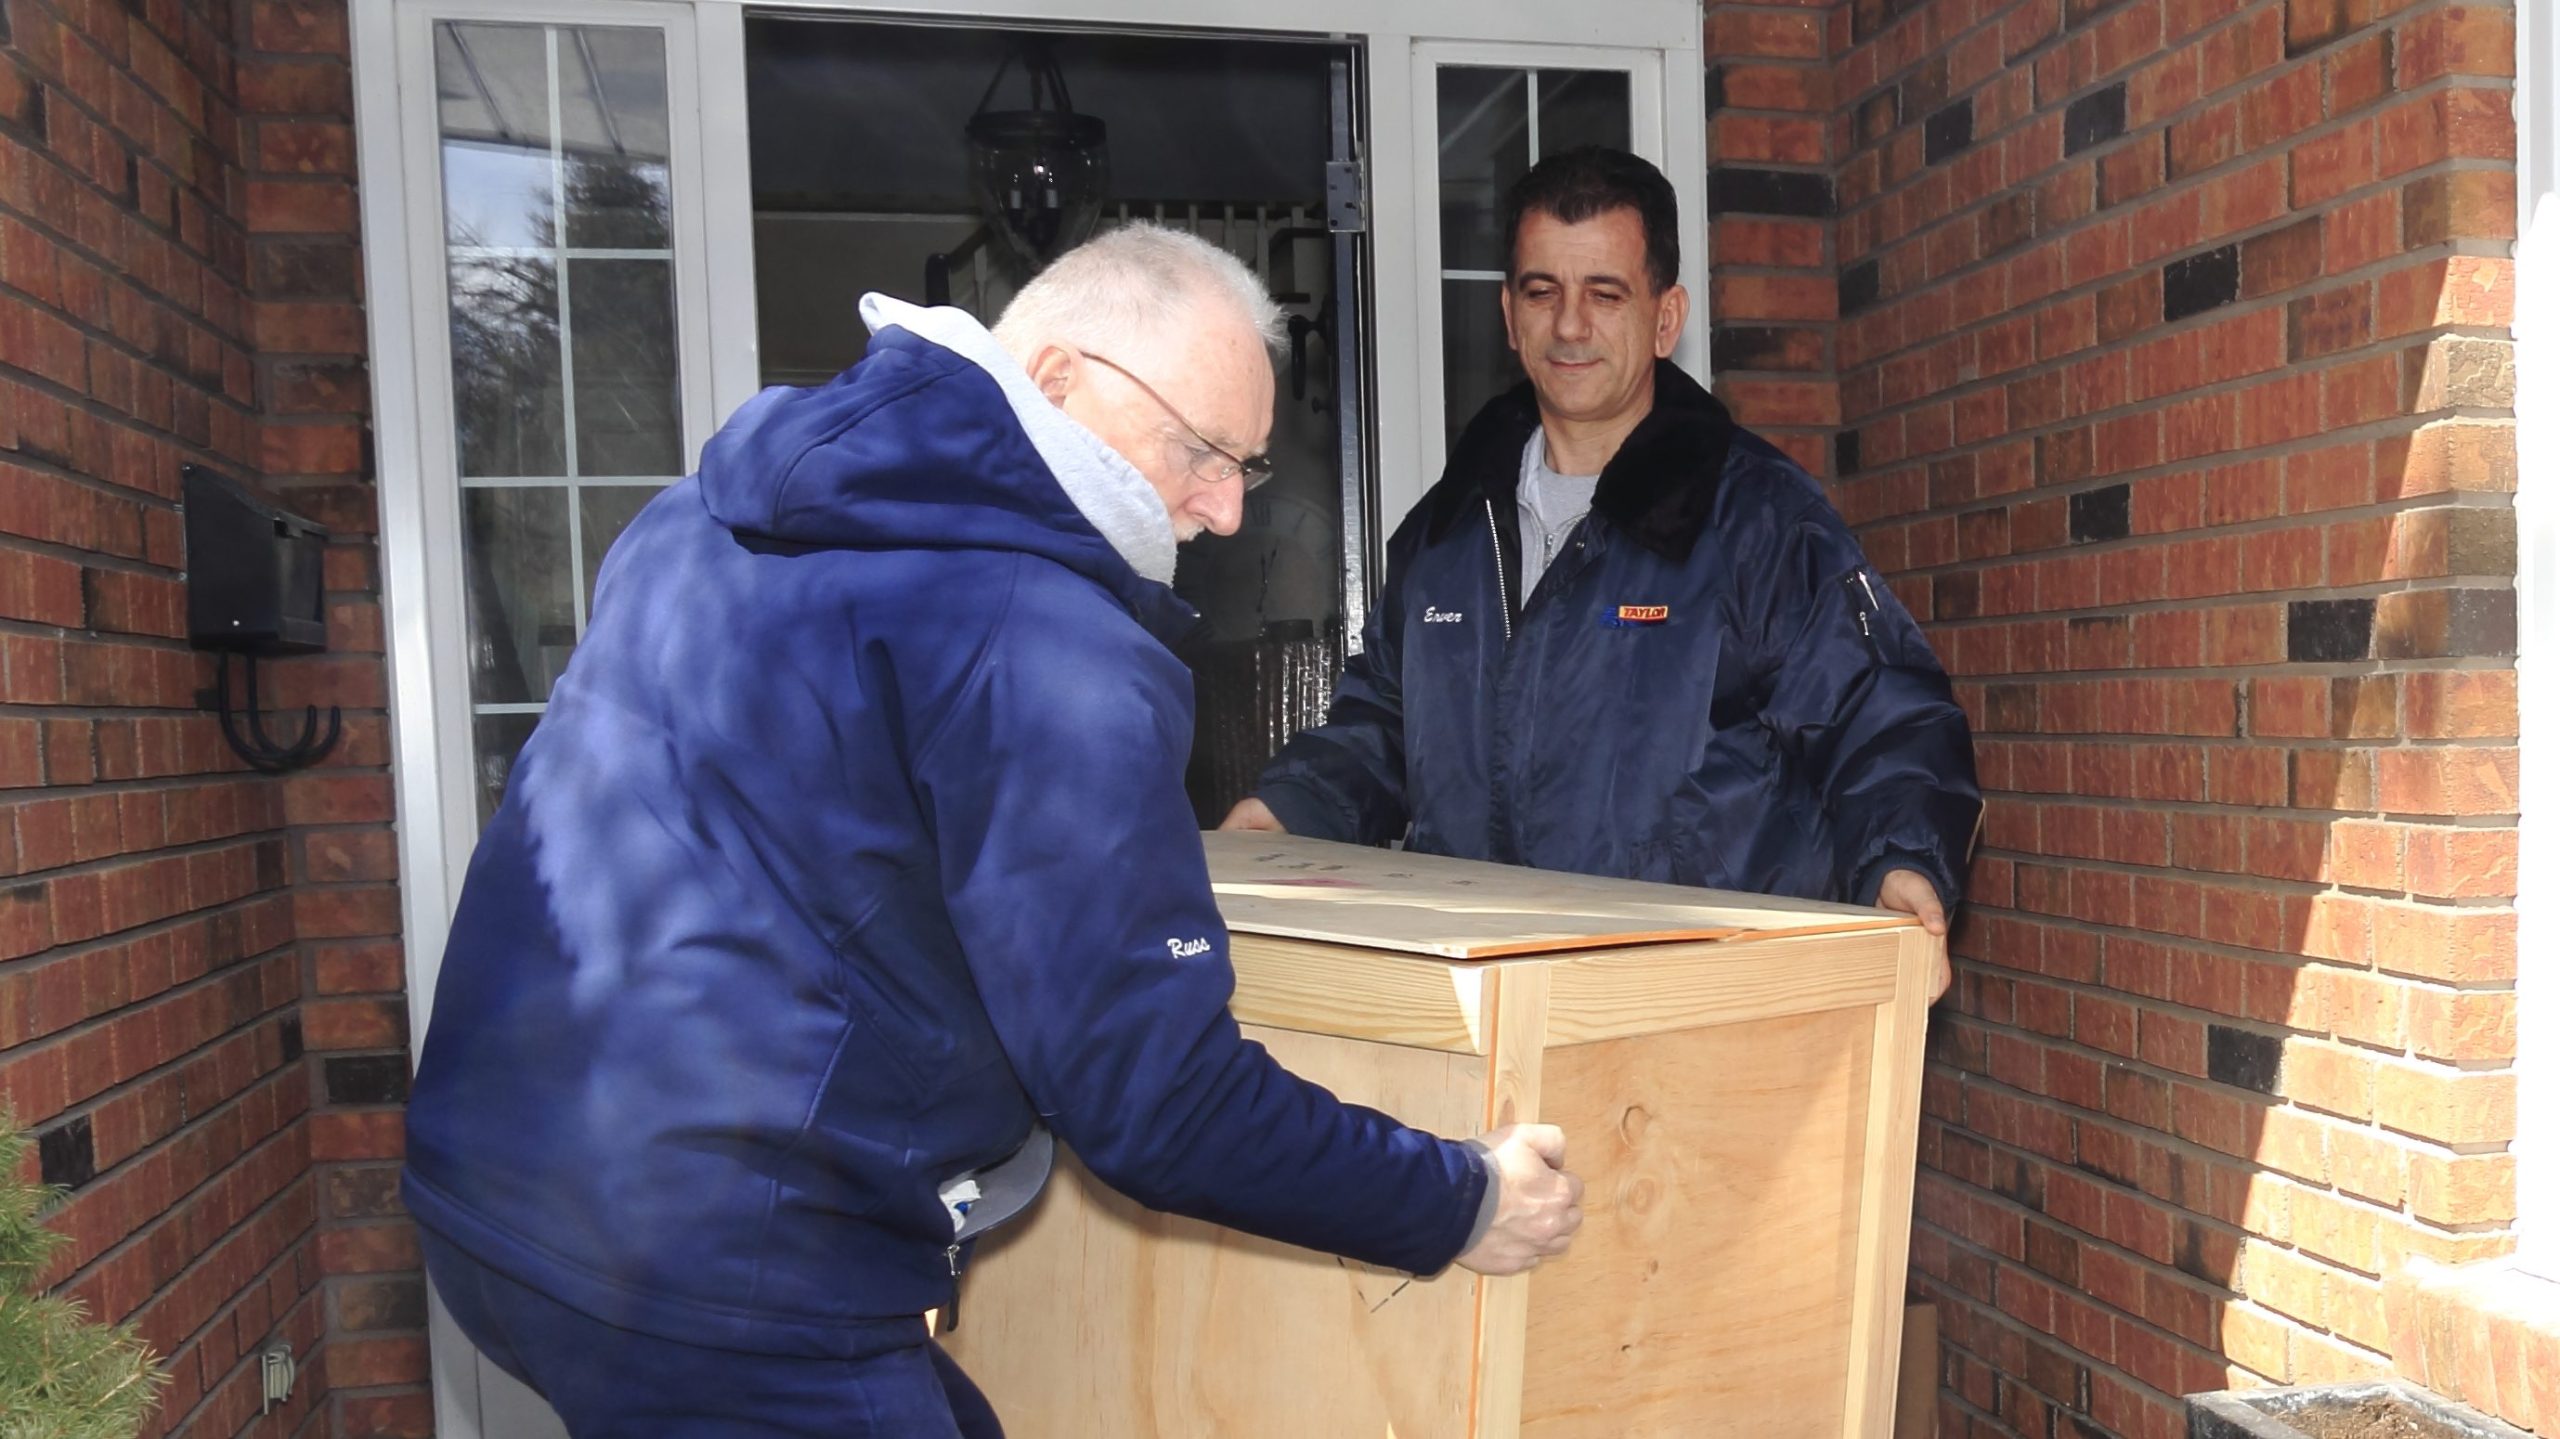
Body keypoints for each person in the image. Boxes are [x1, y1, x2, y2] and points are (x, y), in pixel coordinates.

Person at [401, 224, 1582, 1439]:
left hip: (496, 1197)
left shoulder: (697, 518)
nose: (1222, 511)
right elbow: (1156, 1100)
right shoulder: (1049, 646)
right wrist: (1459, 1201)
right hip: (727, 1272)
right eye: (1201, 451)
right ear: (1059, 377)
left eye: (1248, 467)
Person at [1224, 148, 1980, 997]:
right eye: (1543, 292)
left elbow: (1883, 717)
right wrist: (1285, 811)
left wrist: (1904, 860)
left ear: (1666, 318)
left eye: (1605, 294)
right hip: (1485, 1009)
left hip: (1693, 1016)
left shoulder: (1757, 520)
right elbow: (1385, 730)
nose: (1570, 326)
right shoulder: (1444, 535)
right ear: (1510, 315)